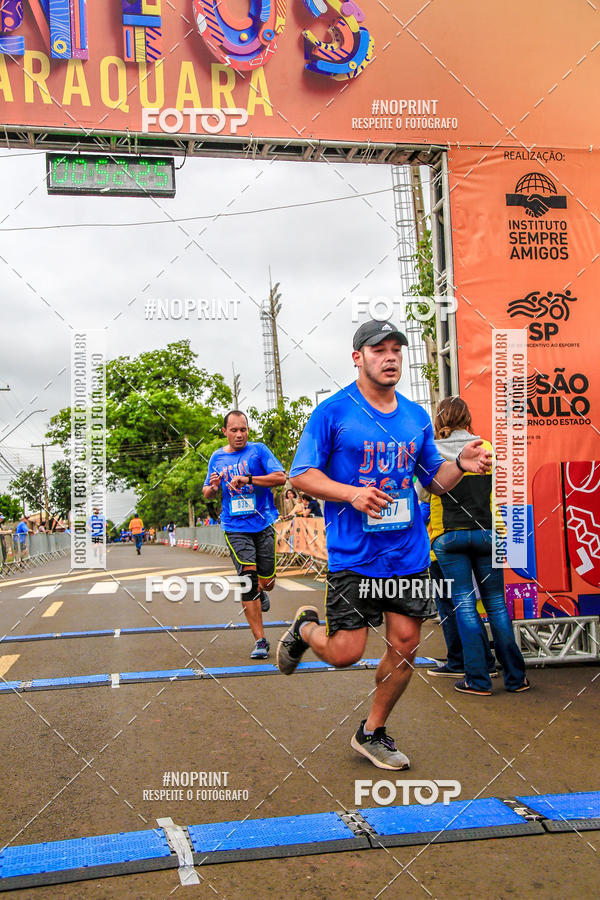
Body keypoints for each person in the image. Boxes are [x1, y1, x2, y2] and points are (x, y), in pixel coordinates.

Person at [277, 319, 493, 770]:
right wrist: (350, 493)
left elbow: (432, 480)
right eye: (379, 350)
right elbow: (301, 474)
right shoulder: (333, 413)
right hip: (355, 555)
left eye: (396, 349)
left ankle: (371, 731)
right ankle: (304, 630)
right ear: (358, 357)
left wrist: (464, 465)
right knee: (344, 653)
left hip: (407, 553)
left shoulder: (416, 416)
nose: (390, 356)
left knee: (406, 643)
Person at [427, 397, 529, 696]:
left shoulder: (432, 450)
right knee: (497, 605)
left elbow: (422, 493)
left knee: (464, 606)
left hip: (449, 536)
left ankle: (478, 680)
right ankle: (515, 678)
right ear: (468, 416)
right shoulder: (487, 447)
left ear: (440, 418)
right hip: (489, 534)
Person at [203, 410, 286, 659]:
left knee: (267, 582)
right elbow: (207, 491)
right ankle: (260, 640)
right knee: (248, 581)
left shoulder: (259, 451)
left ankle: (262, 591)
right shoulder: (216, 457)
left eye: (244, 429)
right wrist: (214, 487)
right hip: (234, 526)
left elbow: (281, 478)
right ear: (225, 431)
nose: (239, 434)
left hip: (263, 523)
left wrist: (248, 478)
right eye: (234, 430)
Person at [419, 499, 497, 680]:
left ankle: (459, 662)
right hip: (477, 540)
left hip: (442, 547)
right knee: (471, 607)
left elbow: (422, 510)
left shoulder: (437, 477)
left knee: (451, 610)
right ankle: (485, 661)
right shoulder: (478, 474)